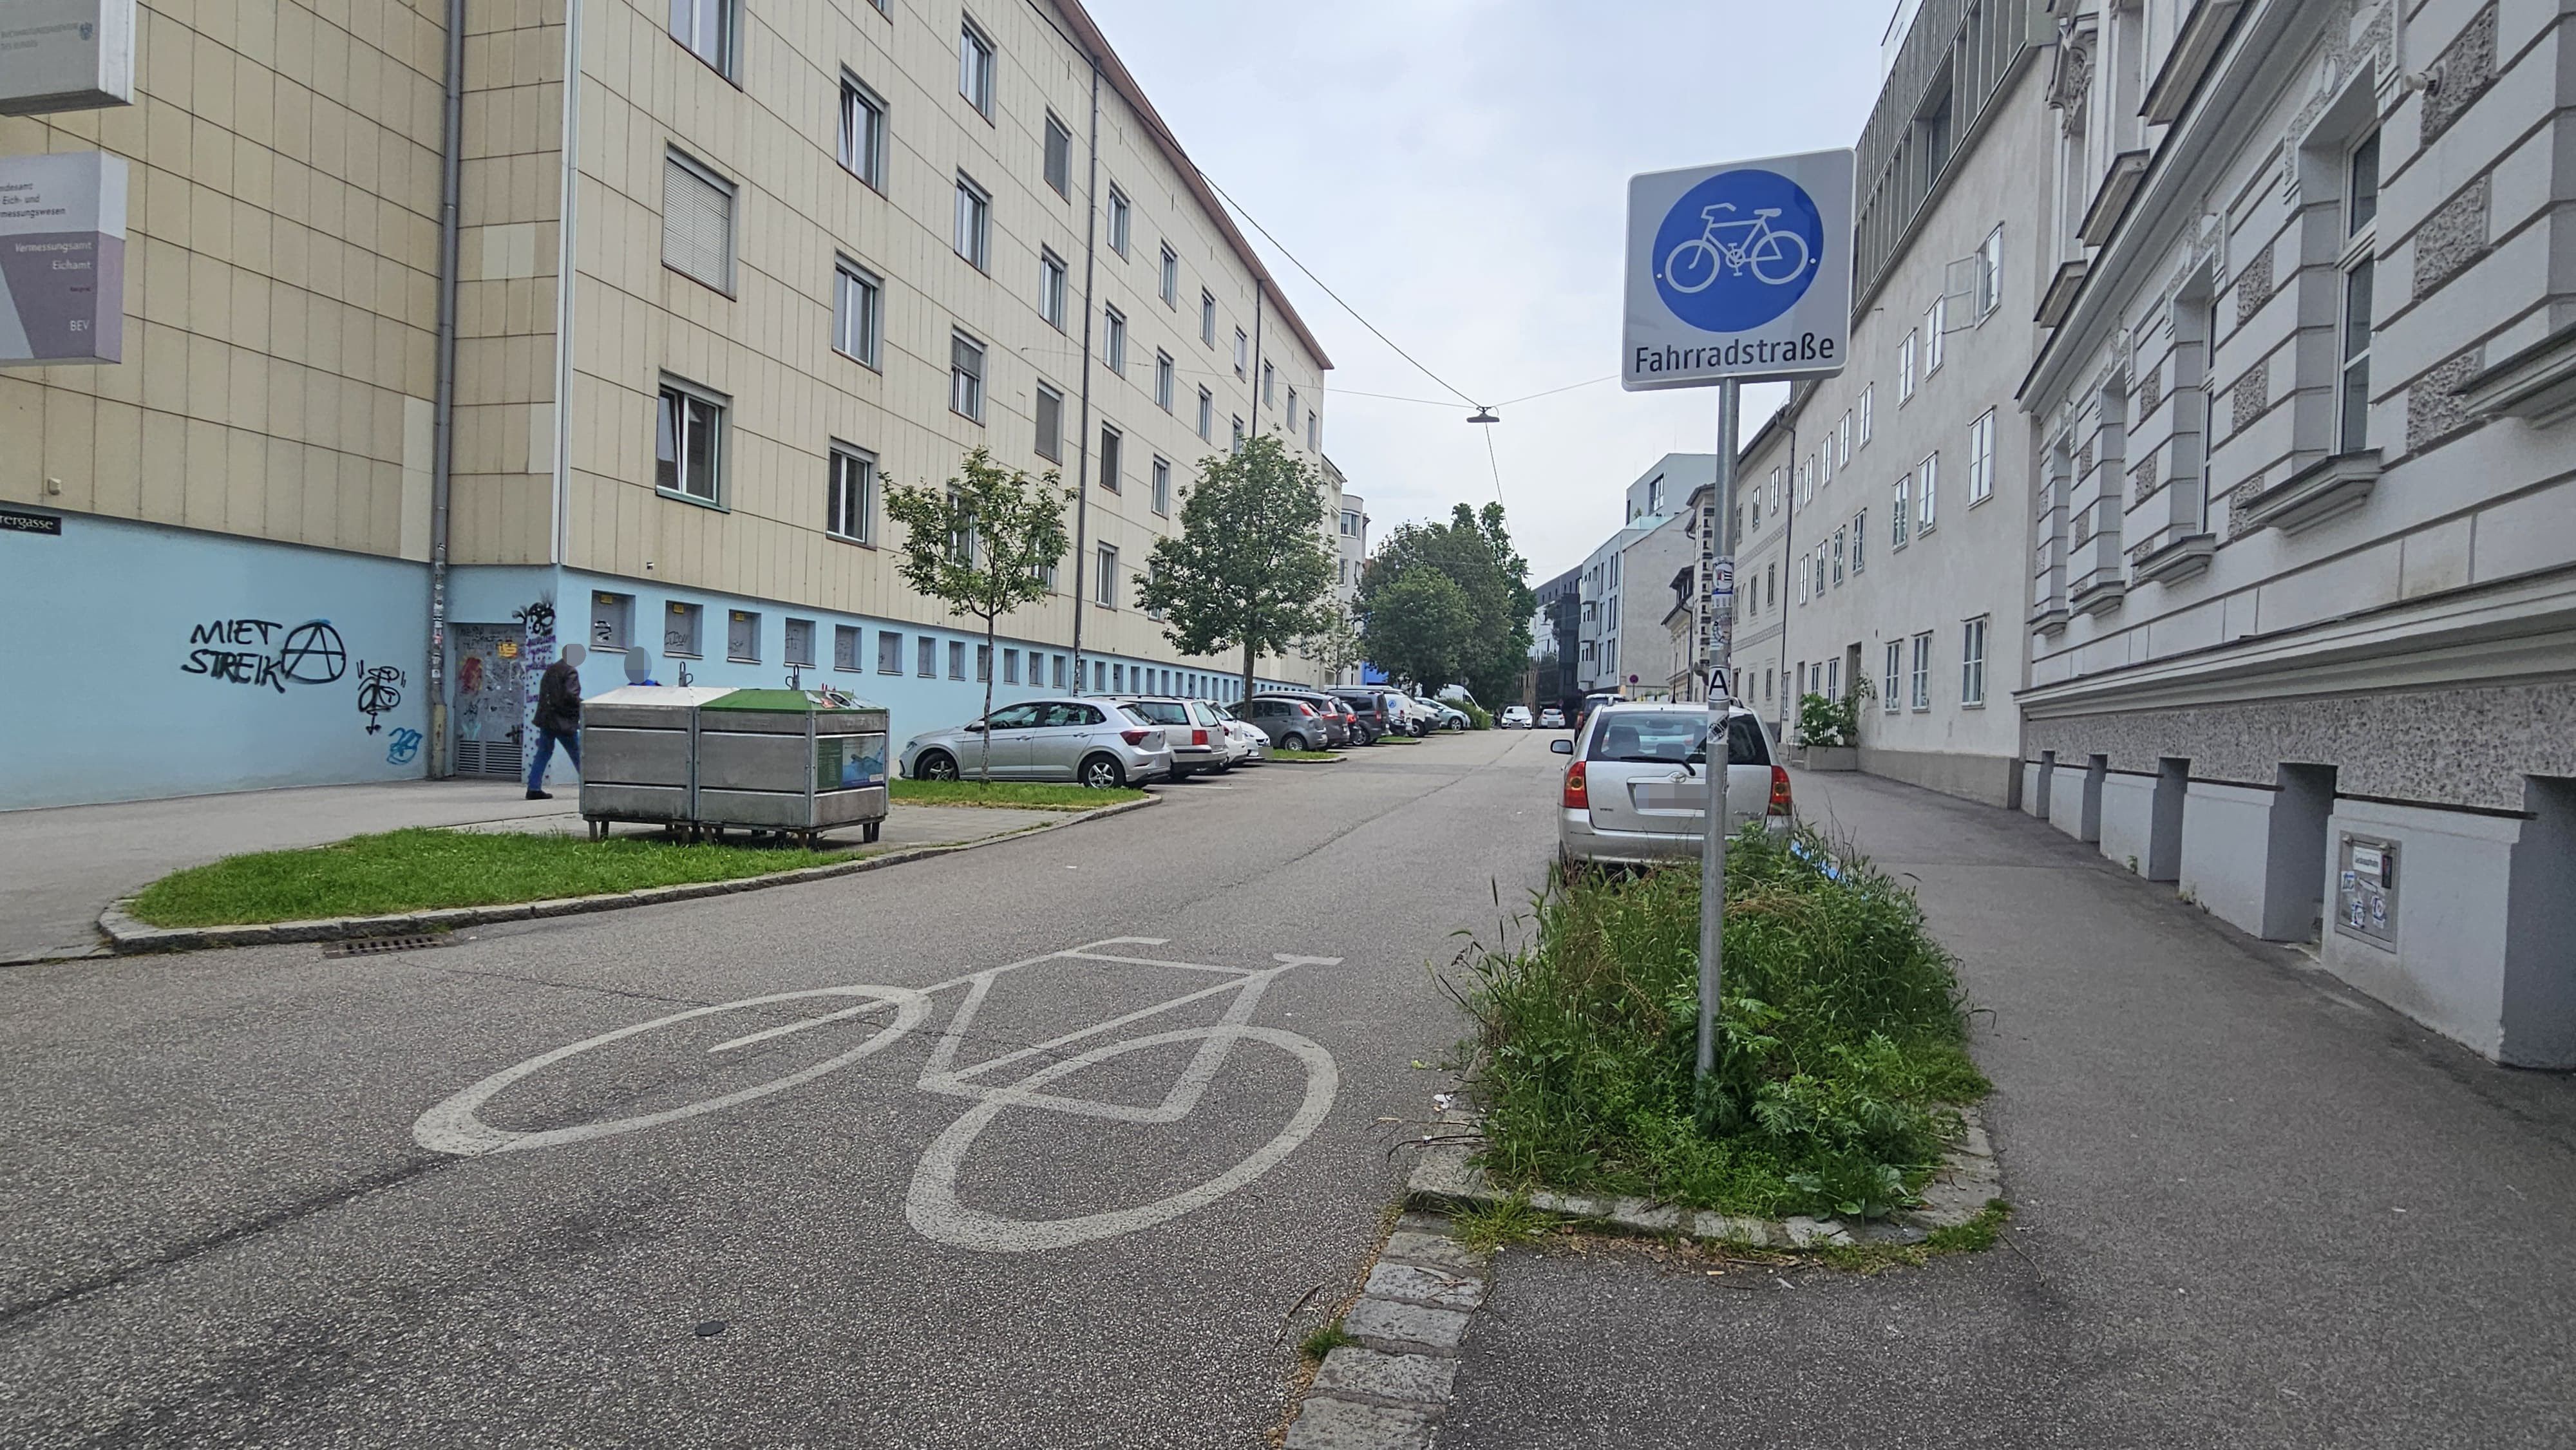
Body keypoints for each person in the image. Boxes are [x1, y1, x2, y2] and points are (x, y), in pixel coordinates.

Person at [527, 643, 586, 800]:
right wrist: (583, 704)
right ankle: (589, 788)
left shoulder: (552, 669)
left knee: (543, 752)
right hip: (562, 721)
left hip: (547, 719)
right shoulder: (570, 671)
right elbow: (570, 696)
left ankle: (533, 788)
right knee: (579, 754)